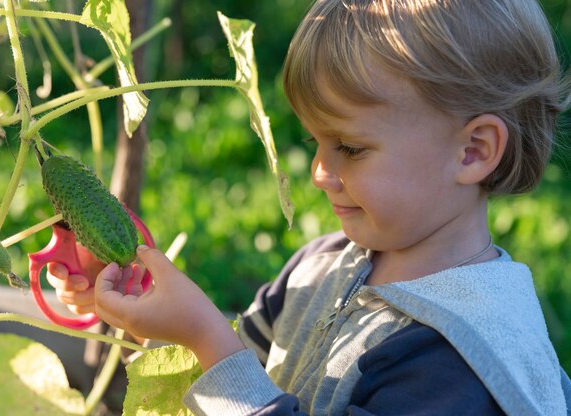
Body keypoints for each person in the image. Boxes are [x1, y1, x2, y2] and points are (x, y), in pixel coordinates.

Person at [49, 0, 571, 414]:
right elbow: (239, 375)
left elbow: (221, 360)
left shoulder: (458, 362)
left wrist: (207, 337)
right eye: (315, 142)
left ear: (474, 150)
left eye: (350, 148)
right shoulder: (322, 263)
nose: (319, 172)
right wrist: (140, 303)